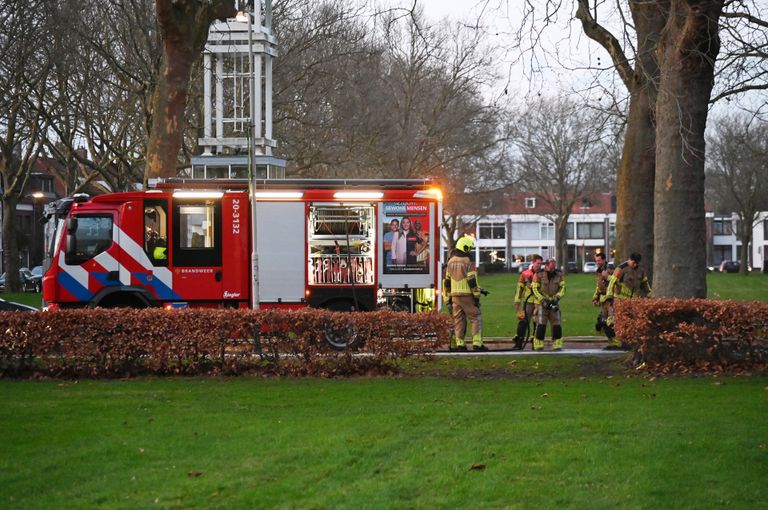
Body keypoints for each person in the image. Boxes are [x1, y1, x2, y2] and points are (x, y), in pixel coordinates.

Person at [444, 235, 487, 351]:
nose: (470, 251)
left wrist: (447, 298)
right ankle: (477, 344)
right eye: (469, 248)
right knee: (475, 317)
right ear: (465, 248)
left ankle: (460, 344)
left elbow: (447, 282)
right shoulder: (468, 261)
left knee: (458, 320)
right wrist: (477, 297)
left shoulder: (450, 261)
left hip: (454, 296)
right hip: (467, 296)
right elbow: (472, 281)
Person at [605, 252, 652, 350]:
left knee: (631, 321)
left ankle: (628, 342)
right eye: (633, 262)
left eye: (637, 263)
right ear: (629, 259)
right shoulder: (621, 269)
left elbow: (645, 284)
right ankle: (621, 342)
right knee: (621, 321)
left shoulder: (641, 270)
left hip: (632, 300)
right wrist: (609, 296)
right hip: (620, 299)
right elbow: (612, 283)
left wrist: (650, 294)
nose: (635, 265)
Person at [531, 257, 566, 351]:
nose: (552, 269)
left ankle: (557, 344)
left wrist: (557, 298)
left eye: (554, 267)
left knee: (556, 324)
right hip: (542, 303)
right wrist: (542, 300)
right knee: (541, 324)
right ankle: (538, 344)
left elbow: (563, 288)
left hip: (554, 302)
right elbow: (534, 289)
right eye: (551, 267)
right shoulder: (538, 274)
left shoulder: (559, 274)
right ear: (546, 265)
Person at [512, 254, 543, 350]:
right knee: (523, 322)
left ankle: (535, 342)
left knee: (537, 322)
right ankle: (519, 342)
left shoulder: (543, 275)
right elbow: (519, 288)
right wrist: (517, 301)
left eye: (541, 264)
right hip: (528, 302)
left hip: (539, 302)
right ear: (533, 262)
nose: (539, 265)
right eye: (538, 263)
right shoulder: (525, 274)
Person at [591, 252, 618, 348]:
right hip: (603, 300)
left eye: (598, 260)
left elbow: (617, 281)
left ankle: (617, 340)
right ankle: (612, 341)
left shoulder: (611, 268)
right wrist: (595, 297)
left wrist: (608, 277)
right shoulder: (598, 271)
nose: (597, 262)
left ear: (603, 260)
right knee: (603, 321)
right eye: (596, 261)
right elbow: (598, 286)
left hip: (611, 299)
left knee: (610, 321)